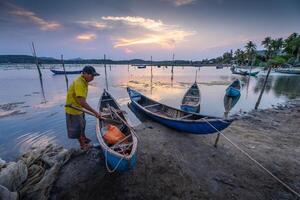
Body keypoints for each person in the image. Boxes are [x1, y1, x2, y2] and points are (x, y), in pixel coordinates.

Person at [65, 65, 101, 150]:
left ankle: (84, 138)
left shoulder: (84, 81)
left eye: (93, 76)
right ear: (84, 73)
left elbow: (81, 102)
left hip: (79, 107)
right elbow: (82, 102)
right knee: (77, 128)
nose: (93, 78)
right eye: (91, 75)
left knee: (82, 124)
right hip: (73, 109)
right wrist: (95, 112)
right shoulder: (79, 83)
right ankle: (83, 146)